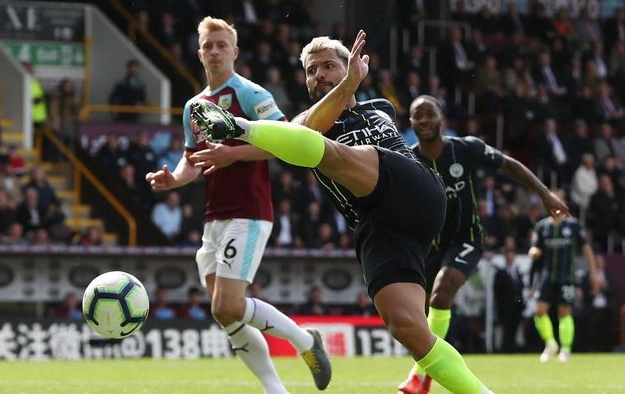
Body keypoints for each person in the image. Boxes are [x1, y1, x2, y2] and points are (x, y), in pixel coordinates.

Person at [188, 30, 493, 394]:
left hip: (416, 190)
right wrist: (347, 82)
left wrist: (243, 132)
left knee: (334, 152)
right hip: (376, 223)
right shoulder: (305, 123)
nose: (320, 75)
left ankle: (237, 126)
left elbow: (315, 130)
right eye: (312, 70)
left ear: (351, 68)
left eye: (330, 66)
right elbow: (305, 128)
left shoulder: (377, 106)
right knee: (406, 326)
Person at [144, 17, 330, 393]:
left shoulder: (250, 93)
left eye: (221, 45)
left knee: (229, 304)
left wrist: (234, 156)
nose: (214, 51)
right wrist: (174, 180)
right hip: (213, 218)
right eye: (208, 46)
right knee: (223, 312)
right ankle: (275, 389)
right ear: (199, 53)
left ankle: (305, 342)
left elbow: (285, 141)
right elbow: (191, 160)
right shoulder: (194, 106)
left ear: (235, 51)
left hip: (249, 210)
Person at [399, 94, 569, 393]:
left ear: (442, 118)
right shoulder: (409, 159)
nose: (423, 120)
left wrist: (545, 195)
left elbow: (510, 165)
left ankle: (420, 375)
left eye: (429, 113)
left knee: (442, 291)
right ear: (410, 122)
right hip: (429, 244)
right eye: (417, 116)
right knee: (423, 310)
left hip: (467, 238)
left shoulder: (464, 148)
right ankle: (424, 374)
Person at [529, 213, 599, 363]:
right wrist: (534, 252)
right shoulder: (542, 226)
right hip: (546, 276)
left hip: (566, 276)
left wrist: (593, 272)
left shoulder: (573, 225)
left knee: (564, 312)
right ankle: (550, 343)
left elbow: (586, 249)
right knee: (539, 311)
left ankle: (566, 349)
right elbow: (535, 246)